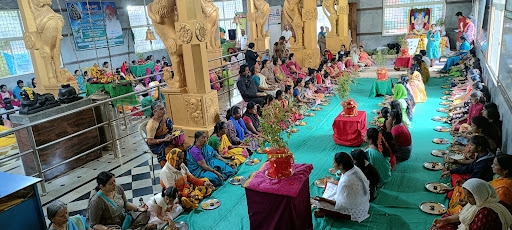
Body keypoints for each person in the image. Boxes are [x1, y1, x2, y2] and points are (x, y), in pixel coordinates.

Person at [431, 178, 512, 230]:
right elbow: (462, 214)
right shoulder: (481, 201)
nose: (466, 199)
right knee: (444, 220)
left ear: (478, 195)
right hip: (469, 225)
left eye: (469, 196)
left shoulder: (486, 213)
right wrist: (445, 221)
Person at [311, 152, 370, 222]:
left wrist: (324, 200)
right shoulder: (354, 168)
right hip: (362, 202)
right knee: (330, 183)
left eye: (334, 162)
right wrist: (333, 181)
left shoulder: (345, 182)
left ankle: (323, 211)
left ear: (341, 166)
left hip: (354, 210)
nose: (333, 164)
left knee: (320, 203)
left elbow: (342, 205)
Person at [146, 101, 187, 168]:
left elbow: (169, 130)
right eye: (161, 109)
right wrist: (164, 140)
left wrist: (176, 133)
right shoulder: (151, 125)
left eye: (163, 108)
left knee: (185, 146)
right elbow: (150, 141)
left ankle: (185, 169)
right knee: (173, 154)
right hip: (159, 145)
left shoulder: (164, 117)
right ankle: (172, 172)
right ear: (154, 112)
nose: (164, 110)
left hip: (168, 139)